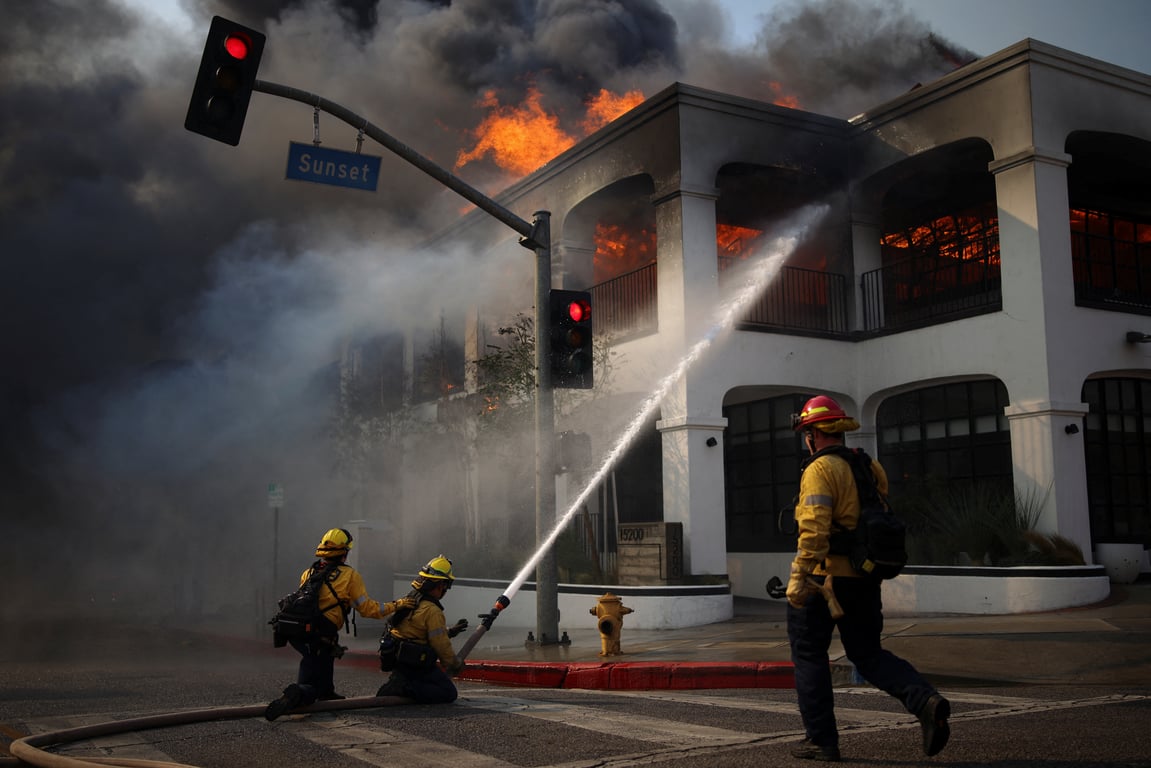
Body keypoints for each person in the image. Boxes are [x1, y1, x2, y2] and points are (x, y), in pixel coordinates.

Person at [786, 395, 950, 762]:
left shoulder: (819, 469)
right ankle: (925, 700)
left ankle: (822, 740)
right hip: (864, 579)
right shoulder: (869, 466)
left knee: (809, 654)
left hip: (823, 583)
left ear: (813, 433)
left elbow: (813, 530)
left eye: (806, 432)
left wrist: (799, 580)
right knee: (867, 653)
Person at [264, 527, 413, 721]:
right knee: (312, 674)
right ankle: (297, 694)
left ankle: (327, 693)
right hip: (319, 631)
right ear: (345, 553)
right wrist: (398, 604)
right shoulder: (350, 577)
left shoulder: (309, 572)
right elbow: (368, 609)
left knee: (325, 653)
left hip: (297, 629)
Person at [376, 554, 468, 704]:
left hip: (400, 661)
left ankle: (401, 682)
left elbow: (416, 631)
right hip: (416, 666)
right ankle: (405, 688)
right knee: (448, 692)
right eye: (446, 585)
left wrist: (450, 632)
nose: (445, 589)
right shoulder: (432, 610)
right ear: (439, 585)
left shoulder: (411, 599)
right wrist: (455, 664)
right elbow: (441, 645)